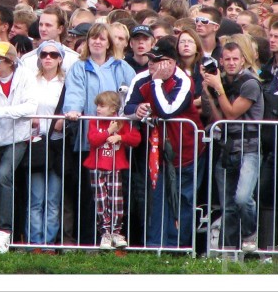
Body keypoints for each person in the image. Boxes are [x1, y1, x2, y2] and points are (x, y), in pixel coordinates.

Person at [123, 37, 206, 248]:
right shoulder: (141, 78)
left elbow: (167, 111)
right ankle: (155, 245)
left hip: (186, 151)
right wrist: (137, 110)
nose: (151, 63)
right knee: (158, 199)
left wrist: (157, 82)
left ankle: (178, 246)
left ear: (170, 62)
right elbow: (128, 107)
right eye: (150, 58)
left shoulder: (184, 80)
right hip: (157, 153)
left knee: (183, 199)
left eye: (157, 60)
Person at [63, 22, 136, 246]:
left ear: (109, 43)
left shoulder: (121, 67)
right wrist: (73, 110)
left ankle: (116, 235)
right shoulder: (79, 67)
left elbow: (131, 95)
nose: (97, 42)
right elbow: (75, 92)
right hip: (90, 138)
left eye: (102, 38)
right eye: (93, 38)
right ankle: (89, 240)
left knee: (115, 194)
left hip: (116, 141)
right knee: (91, 194)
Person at [0, 42, 38, 253]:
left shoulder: (26, 76)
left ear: (10, 63)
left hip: (16, 137)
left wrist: (0, 112)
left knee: (4, 175)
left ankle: (4, 231)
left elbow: (30, 106)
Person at [202, 41, 264, 253]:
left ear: (243, 60)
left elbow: (231, 113)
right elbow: (221, 120)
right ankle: (226, 251)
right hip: (227, 146)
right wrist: (211, 94)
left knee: (243, 197)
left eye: (235, 59)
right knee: (227, 206)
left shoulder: (250, 83)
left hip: (249, 147)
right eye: (226, 59)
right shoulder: (223, 84)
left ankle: (249, 233)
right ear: (221, 61)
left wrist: (218, 88)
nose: (230, 63)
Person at [84, 91, 141, 249]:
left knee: (116, 200)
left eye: (102, 106)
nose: (98, 109)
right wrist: (109, 132)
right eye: (97, 105)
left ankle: (116, 232)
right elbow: (93, 140)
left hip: (115, 166)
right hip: (96, 166)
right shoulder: (94, 122)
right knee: (101, 200)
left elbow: (136, 138)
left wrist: (120, 137)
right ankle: (105, 233)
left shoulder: (122, 122)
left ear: (113, 108)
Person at [26, 40, 66, 249]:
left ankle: (49, 243)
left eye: (53, 54)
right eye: (43, 55)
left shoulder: (65, 83)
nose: (48, 58)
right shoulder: (31, 81)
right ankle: (34, 243)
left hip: (57, 143)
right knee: (36, 197)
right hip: (36, 141)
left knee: (52, 198)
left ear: (60, 58)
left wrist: (63, 122)